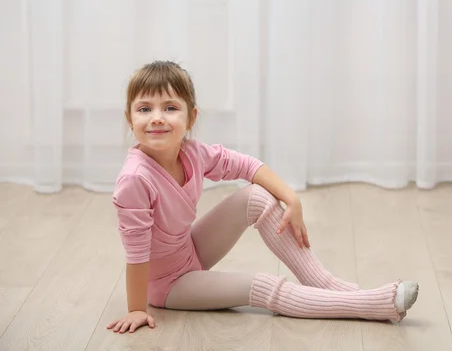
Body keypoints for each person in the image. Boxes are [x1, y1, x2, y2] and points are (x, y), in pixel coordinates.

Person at [106, 60, 419, 334]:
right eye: (144, 109)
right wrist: (136, 309)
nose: (157, 117)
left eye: (170, 108)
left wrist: (291, 199)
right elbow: (136, 256)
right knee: (265, 286)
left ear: (190, 118)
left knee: (256, 196)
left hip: (188, 250)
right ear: (129, 119)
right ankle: (370, 304)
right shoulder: (136, 179)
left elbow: (247, 165)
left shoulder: (192, 153)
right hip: (168, 285)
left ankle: (328, 287)